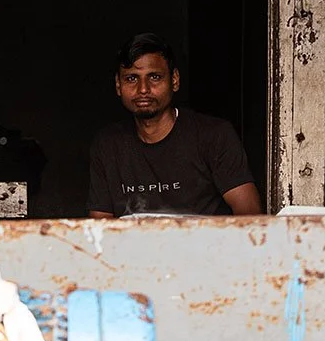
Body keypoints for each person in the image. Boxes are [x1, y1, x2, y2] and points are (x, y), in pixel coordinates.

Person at [88, 33, 264, 219]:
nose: (143, 89)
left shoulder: (213, 135)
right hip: (135, 248)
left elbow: (250, 217)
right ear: (118, 85)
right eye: (131, 78)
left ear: (174, 80)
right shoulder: (107, 145)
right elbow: (100, 230)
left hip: (206, 246)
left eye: (154, 77)